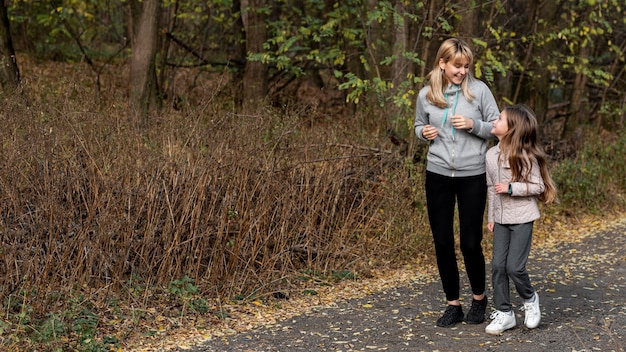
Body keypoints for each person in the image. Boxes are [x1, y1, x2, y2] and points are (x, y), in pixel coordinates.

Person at [414, 37, 500, 327]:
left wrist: (474, 126)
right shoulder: (426, 94)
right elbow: (417, 124)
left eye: (466, 66)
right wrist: (422, 132)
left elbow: (498, 127)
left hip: (472, 174)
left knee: (470, 242)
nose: (462, 71)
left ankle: (479, 299)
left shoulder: (480, 91)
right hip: (437, 174)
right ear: (442, 63)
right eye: (457, 66)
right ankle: (453, 304)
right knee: (442, 241)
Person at [484, 104, 557, 335]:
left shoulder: (526, 156)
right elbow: (490, 188)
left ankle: (530, 298)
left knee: (514, 267)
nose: (495, 121)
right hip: (502, 219)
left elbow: (539, 186)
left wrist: (511, 187)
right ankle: (505, 313)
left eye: (500, 119)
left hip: (523, 216)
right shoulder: (490, 154)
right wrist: (492, 216)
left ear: (512, 128)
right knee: (497, 266)